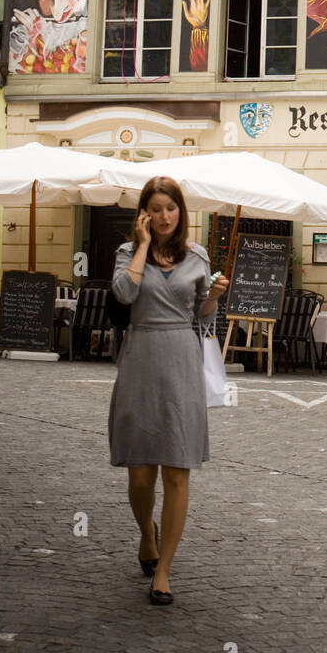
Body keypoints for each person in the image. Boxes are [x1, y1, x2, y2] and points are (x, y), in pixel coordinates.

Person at [109, 176, 228, 605]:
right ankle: (146, 533)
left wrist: (213, 296)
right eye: (156, 209)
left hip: (181, 359)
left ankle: (164, 570)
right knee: (140, 472)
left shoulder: (196, 256)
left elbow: (202, 317)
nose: (164, 217)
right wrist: (141, 245)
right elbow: (124, 294)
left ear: (181, 212)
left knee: (177, 470)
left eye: (171, 209)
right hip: (140, 356)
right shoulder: (126, 253)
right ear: (144, 213)